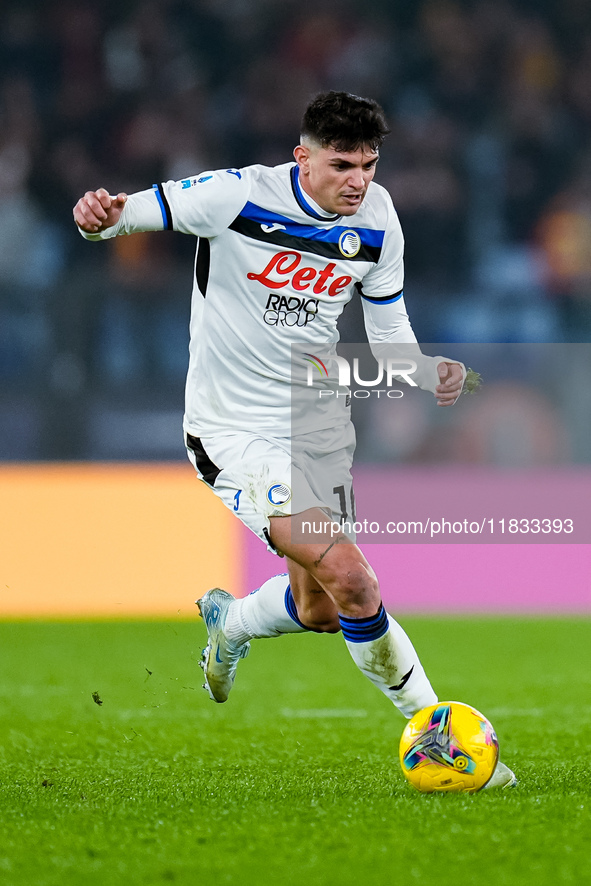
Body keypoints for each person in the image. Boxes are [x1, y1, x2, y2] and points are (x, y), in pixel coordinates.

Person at [74, 91, 515, 788]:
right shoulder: (233, 197)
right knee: (353, 579)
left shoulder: (377, 220)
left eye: (369, 165)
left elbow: (389, 334)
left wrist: (425, 371)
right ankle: (439, 733)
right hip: (231, 431)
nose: (358, 181)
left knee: (318, 608)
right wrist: (98, 216)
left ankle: (231, 622)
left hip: (313, 428)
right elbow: (124, 215)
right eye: (343, 164)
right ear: (301, 156)